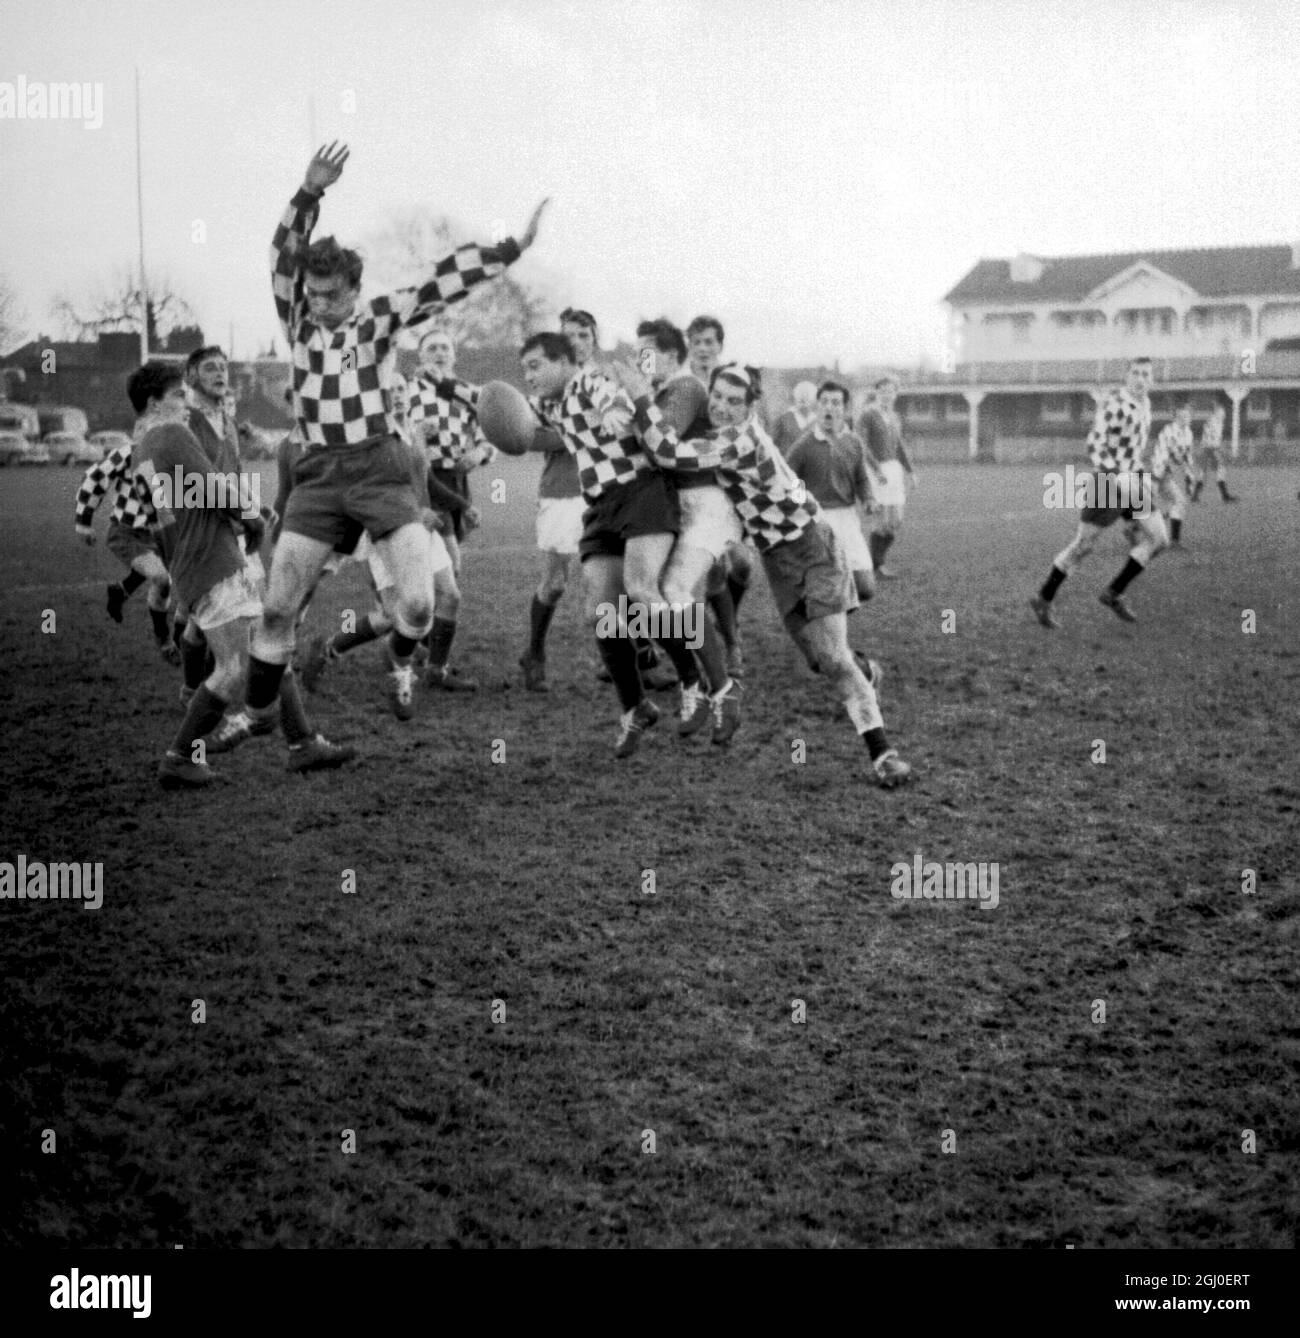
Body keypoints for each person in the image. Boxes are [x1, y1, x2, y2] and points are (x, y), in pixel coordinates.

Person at [239, 141, 546, 739]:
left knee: (418, 607)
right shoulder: (298, 319)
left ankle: (402, 663)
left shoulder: (378, 318)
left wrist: (509, 250)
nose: (320, 304)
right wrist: (309, 192)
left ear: (354, 289)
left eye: (332, 295)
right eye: (314, 293)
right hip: (319, 473)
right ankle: (255, 715)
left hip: (380, 467)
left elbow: (441, 284)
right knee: (277, 608)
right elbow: (280, 256)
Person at [612, 358, 912, 787]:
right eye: (716, 396)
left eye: (734, 401)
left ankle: (884, 755)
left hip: (812, 548)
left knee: (831, 657)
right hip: (776, 558)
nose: (721, 406)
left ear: (751, 407)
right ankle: (865, 672)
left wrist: (640, 393)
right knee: (818, 661)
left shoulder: (740, 438)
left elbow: (667, 452)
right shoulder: (718, 435)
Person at [124, 360, 352, 787]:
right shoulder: (171, 433)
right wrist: (252, 521)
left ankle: (302, 742)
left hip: (192, 563)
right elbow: (212, 487)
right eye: (178, 395)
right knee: (234, 668)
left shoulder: (142, 450)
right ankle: (181, 755)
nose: (185, 403)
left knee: (268, 650)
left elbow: (180, 501)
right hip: (214, 561)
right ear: (154, 402)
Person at [519, 331, 703, 758]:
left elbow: (612, 399)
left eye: (536, 365)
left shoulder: (589, 381)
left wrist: (617, 412)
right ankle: (635, 707)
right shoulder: (548, 403)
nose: (529, 375)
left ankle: (694, 680)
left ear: (564, 362)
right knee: (604, 612)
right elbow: (512, 416)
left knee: (641, 593)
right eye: (524, 368)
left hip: (643, 490)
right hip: (601, 504)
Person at [637, 318, 740, 738]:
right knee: (644, 598)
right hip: (678, 508)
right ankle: (696, 684)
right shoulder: (665, 390)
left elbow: (657, 448)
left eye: (648, 353)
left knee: (675, 593)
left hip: (705, 507)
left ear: (672, 355)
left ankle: (723, 689)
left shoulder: (686, 389)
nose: (641, 361)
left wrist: (636, 401)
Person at [1030, 356, 1167, 627]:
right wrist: (1115, 476)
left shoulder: (1146, 403)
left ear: (1152, 378)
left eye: (1146, 374)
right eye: (1136, 373)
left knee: (1159, 539)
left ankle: (1113, 593)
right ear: (1127, 376)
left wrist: (1140, 475)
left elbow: (1133, 447)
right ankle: (1044, 599)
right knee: (1083, 546)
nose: (1141, 379)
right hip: (1108, 481)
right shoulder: (1116, 403)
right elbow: (1094, 443)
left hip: (1133, 481)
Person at [75, 368, 179, 663]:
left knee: (163, 569)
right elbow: (95, 479)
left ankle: (119, 592)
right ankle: (164, 640)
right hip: (126, 532)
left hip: (157, 533)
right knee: (161, 578)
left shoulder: (168, 456)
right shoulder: (127, 453)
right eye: (149, 429)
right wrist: (83, 523)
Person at [519, 307, 598, 691]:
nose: (577, 343)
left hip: (606, 492)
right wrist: (574, 435)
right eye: (570, 336)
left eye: (584, 336)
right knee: (554, 584)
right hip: (562, 493)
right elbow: (530, 436)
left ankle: (639, 655)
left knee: (615, 579)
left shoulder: (602, 383)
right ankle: (533, 651)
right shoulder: (543, 392)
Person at [787, 380, 882, 605]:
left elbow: (861, 479)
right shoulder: (803, 446)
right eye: (825, 402)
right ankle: (825, 624)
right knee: (826, 587)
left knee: (866, 588)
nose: (830, 407)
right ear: (817, 407)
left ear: (845, 409)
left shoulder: (854, 443)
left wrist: (868, 498)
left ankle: (833, 615)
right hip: (818, 520)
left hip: (848, 519)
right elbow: (791, 481)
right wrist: (802, 509)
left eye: (836, 402)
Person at [857, 376, 917, 578]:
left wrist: (911, 471)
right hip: (877, 470)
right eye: (882, 390)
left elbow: (899, 446)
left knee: (896, 521)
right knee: (881, 522)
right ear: (876, 392)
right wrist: (876, 470)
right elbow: (862, 445)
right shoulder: (867, 415)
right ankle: (876, 566)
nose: (886, 394)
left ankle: (875, 564)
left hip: (894, 470)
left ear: (896, 393)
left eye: (890, 391)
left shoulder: (894, 416)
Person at [1151, 402, 1194, 547]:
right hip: (1157, 472)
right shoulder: (1169, 432)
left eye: (1187, 415)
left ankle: (1141, 529)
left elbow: (1186, 455)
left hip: (1166, 474)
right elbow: (1165, 456)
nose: (1185, 418)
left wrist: (1189, 476)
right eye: (1181, 416)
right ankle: (1140, 528)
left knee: (1174, 504)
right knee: (1176, 502)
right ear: (1175, 417)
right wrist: (1157, 480)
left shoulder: (1188, 433)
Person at [1190, 402, 1238, 502]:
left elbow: (1211, 436)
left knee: (1205, 473)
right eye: (1221, 413)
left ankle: (1195, 496)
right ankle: (1225, 496)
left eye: (1223, 413)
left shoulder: (1215, 421)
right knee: (1218, 471)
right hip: (1210, 449)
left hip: (1209, 448)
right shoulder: (1214, 421)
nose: (1223, 415)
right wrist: (1218, 449)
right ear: (1216, 413)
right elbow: (1211, 437)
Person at [771, 381, 817, 457]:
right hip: (785, 464)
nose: (804, 403)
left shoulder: (817, 422)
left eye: (808, 399)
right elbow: (770, 443)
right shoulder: (783, 419)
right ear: (796, 398)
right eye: (802, 399)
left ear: (813, 400)